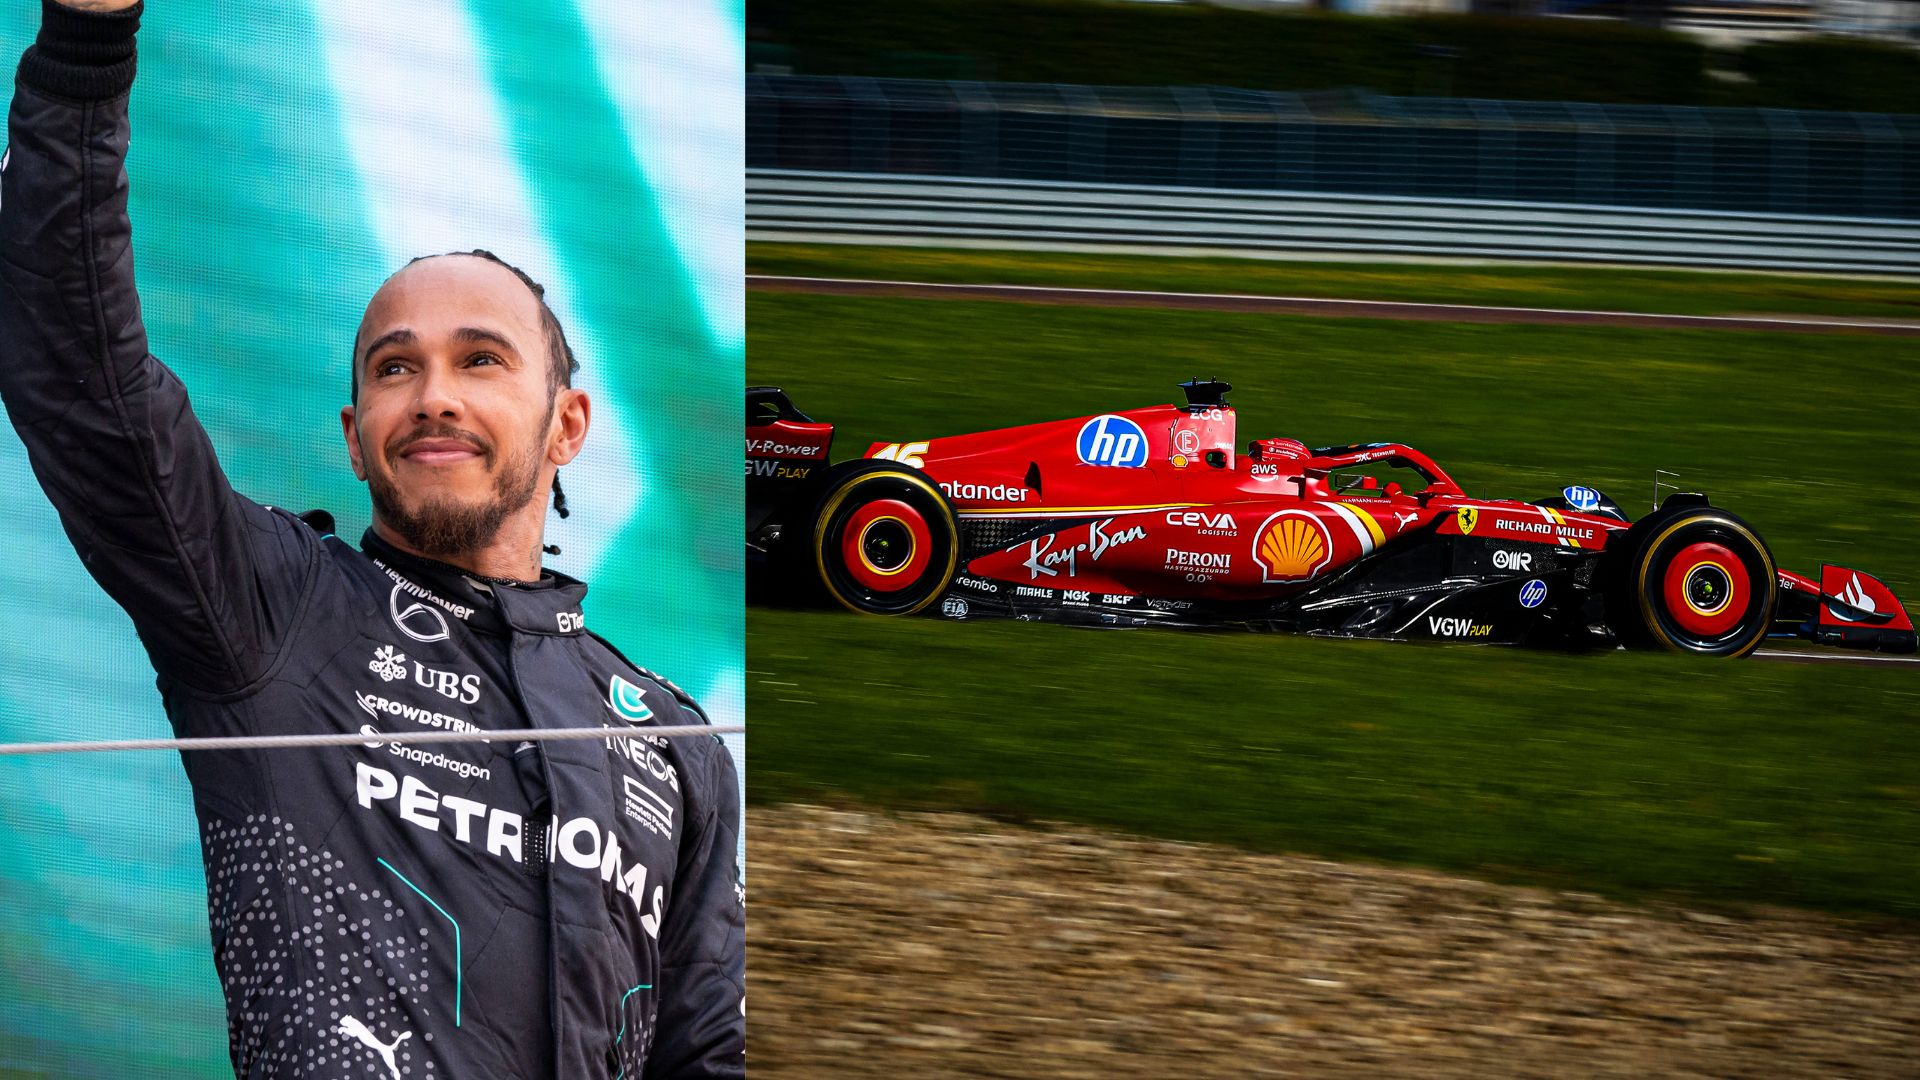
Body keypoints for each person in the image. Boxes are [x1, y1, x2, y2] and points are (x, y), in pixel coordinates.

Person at [0, 1, 744, 1076]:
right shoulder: (273, 610)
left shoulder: (674, 746)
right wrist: (84, 39)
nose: (433, 396)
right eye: (396, 368)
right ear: (356, 440)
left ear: (567, 425)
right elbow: (81, 381)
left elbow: (709, 1051)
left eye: (481, 359)